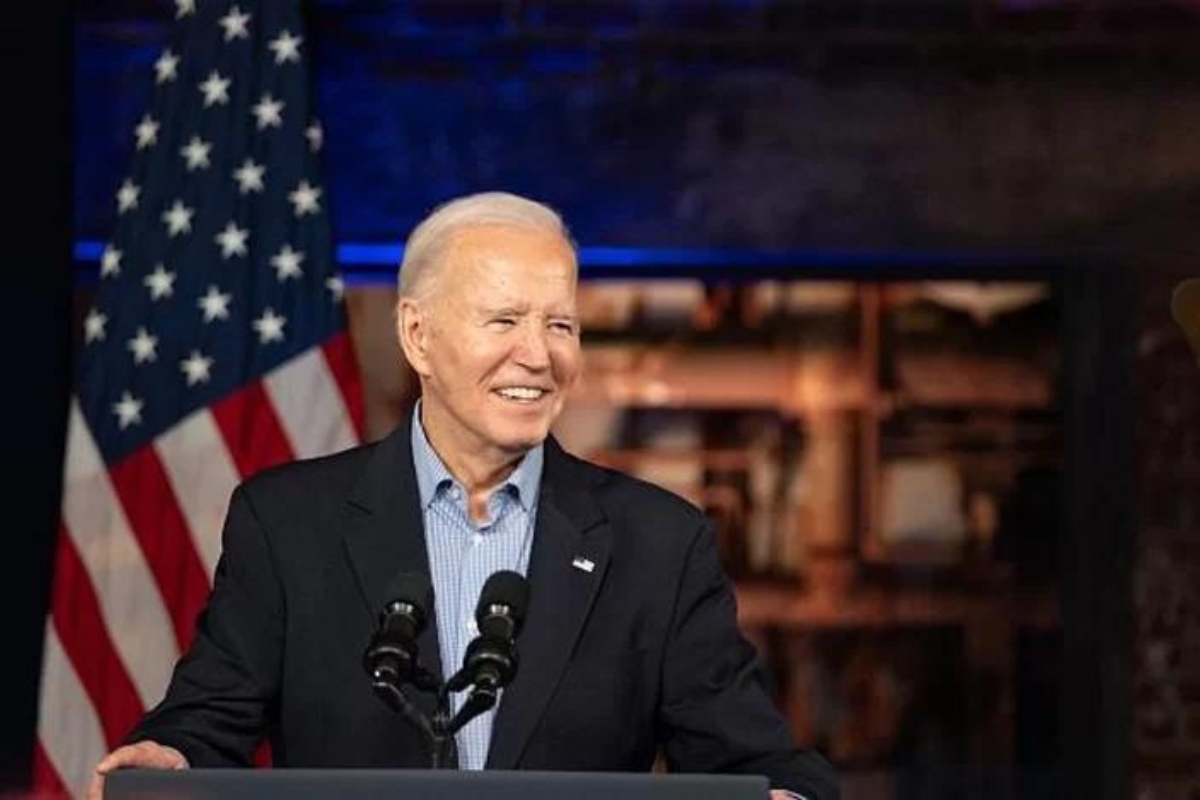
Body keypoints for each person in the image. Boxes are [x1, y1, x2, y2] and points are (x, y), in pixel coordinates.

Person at [90, 192, 839, 800]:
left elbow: (756, 761)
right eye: (505, 320)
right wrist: (167, 763)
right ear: (418, 337)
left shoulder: (660, 543)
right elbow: (206, 723)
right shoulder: (288, 523)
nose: (539, 355)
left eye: (561, 324)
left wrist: (785, 797)